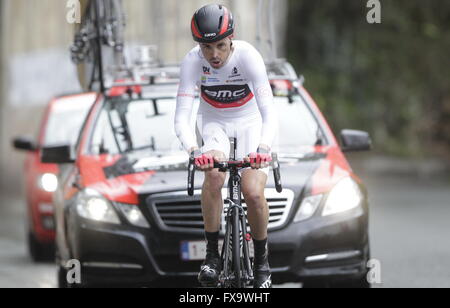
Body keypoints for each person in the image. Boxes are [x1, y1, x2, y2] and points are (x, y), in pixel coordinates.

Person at [174, 4, 277, 288]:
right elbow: (182, 117)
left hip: (251, 121)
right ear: (199, 46)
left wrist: (264, 148)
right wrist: (194, 151)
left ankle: (261, 261)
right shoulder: (192, 62)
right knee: (214, 175)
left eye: (220, 45)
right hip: (213, 121)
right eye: (207, 48)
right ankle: (211, 256)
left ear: (231, 38)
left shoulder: (249, 57)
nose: (214, 55)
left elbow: (269, 113)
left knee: (253, 192)